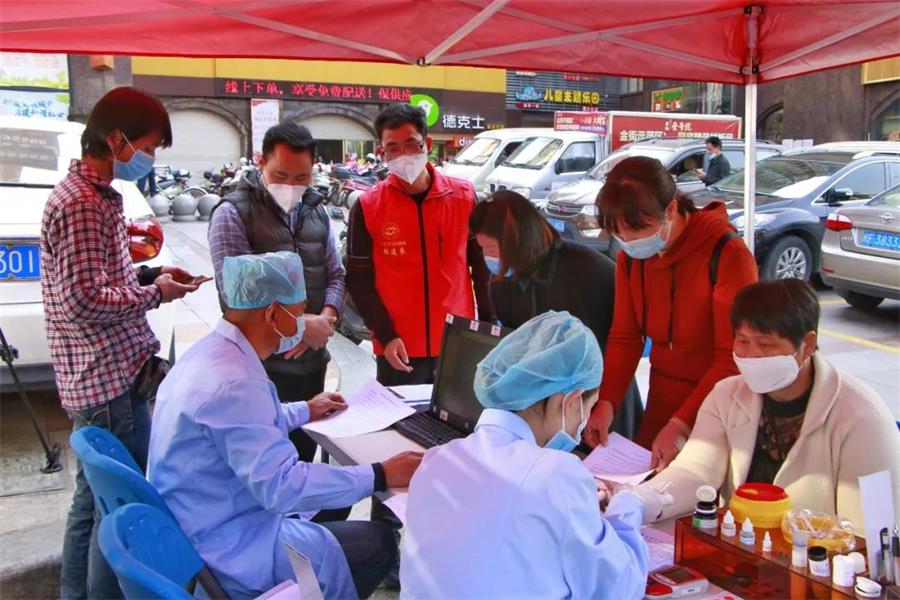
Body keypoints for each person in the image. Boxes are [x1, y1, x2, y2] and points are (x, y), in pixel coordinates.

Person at [148, 251, 423, 599]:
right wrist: (380, 474)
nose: (303, 322)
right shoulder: (235, 382)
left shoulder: (213, 354)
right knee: (378, 542)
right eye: (299, 311)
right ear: (272, 313)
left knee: (336, 496)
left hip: (203, 515)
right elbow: (282, 486)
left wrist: (305, 410)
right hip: (227, 546)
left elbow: (243, 423)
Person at [40, 86, 200, 600]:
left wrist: (152, 274)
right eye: (147, 147)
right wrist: (155, 294)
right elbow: (83, 301)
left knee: (93, 503)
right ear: (115, 140)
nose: (148, 158)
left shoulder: (92, 196)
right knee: (117, 511)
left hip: (98, 376)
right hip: (108, 381)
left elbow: (100, 277)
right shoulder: (83, 204)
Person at [401, 311, 670, 599]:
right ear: (568, 401)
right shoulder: (555, 474)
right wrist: (627, 505)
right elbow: (619, 588)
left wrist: (574, 502)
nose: (583, 422)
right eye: (588, 407)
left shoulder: (437, 460)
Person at [626, 279, 900, 528]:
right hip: (739, 548)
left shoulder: (864, 419)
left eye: (766, 344)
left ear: (807, 344)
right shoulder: (726, 395)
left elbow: (872, 531)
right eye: (743, 341)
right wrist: (641, 500)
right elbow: (695, 471)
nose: (751, 355)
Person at [583, 156, 758, 468]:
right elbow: (625, 337)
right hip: (661, 397)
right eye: (619, 234)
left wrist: (681, 423)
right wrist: (607, 401)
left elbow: (732, 356)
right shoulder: (631, 259)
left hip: (717, 402)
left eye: (639, 230)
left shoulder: (728, 253)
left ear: (672, 209)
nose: (629, 242)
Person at [208, 121, 343, 463]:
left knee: (303, 458)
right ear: (261, 162)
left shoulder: (317, 210)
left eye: (302, 178)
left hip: (312, 364)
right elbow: (234, 295)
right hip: (261, 369)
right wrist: (300, 327)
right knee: (265, 465)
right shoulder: (232, 213)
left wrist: (324, 321)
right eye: (281, 175)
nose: (291, 186)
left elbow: (336, 275)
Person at [469, 190, 644, 439]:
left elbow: (626, 340)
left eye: (491, 249)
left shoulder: (588, 270)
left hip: (602, 405)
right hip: (546, 418)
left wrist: (605, 402)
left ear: (518, 240)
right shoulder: (502, 284)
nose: (489, 259)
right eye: (483, 250)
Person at [346, 103, 494, 386]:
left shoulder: (463, 197)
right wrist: (385, 336)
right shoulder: (368, 206)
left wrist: (487, 325)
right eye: (393, 148)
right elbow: (359, 280)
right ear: (382, 152)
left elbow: (483, 265)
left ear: (427, 144)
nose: (403, 155)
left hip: (456, 339)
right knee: (399, 415)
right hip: (397, 347)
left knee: (455, 413)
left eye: (411, 144)